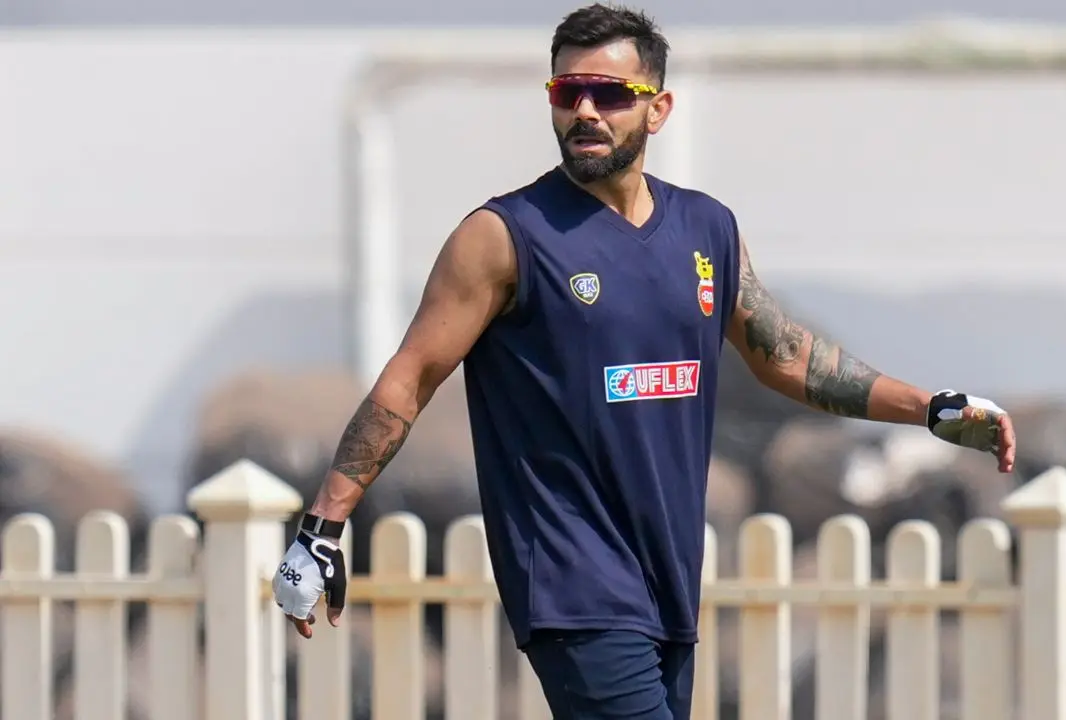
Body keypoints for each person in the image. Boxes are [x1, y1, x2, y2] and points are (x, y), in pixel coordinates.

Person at [272, 3, 1017, 718]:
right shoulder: (502, 237)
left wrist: (929, 408)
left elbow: (791, 359)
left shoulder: (707, 228)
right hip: (570, 581)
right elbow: (410, 377)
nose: (584, 111)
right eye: (567, 91)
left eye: (609, 94)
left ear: (657, 109)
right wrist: (321, 529)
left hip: (669, 579)